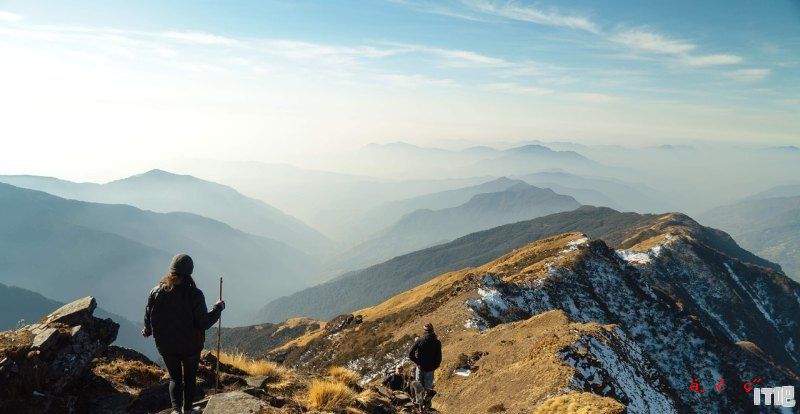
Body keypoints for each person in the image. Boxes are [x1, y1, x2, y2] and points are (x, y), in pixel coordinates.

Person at [142, 254, 225, 414]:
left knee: (175, 378)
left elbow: (148, 312)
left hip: (166, 345)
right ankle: (187, 411)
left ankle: (175, 411)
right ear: (190, 272)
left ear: (171, 270)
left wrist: (147, 329)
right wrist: (218, 308)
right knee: (189, 378)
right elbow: (204, 323)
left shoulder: (156, 291)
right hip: (191, 346)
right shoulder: (195, 294)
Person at [408, 322, 442, 400]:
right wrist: (434, 366)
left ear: (424, 330)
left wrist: (417, 362)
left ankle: (419, 405)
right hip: (430, 369)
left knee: (418, 388)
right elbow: (439, 358)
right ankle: (426, 405)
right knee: (428, 387)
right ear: (432, 330)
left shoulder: (420, 340)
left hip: (420, 367)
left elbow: (410, 353)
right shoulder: (437, 342)